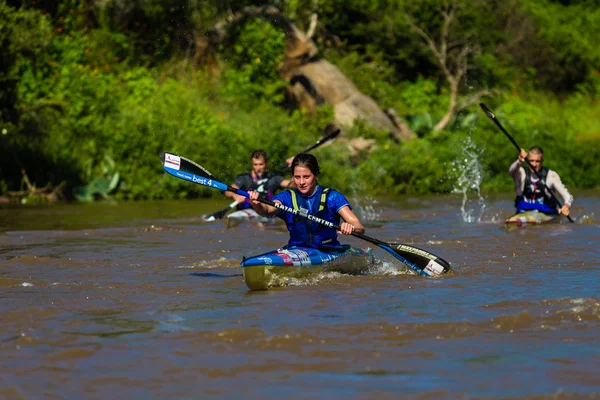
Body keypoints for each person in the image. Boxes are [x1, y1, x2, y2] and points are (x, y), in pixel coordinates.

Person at [248, 153, 364, 248]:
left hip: (329, 250)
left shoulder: (332, 197)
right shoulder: (286, 197)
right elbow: (267, 210)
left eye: (306, 177)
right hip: (296, 250)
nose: (301, 182)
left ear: (316, 175)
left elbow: (359, 227)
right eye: (297, 177)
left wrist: (350, 227)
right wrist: (256, 204)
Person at [509, 146, 573, 216]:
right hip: (522, 211)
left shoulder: (551, 176)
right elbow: (511, 171)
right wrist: (519, 161)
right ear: (527, 160)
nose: (534, 164)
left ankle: (555, 212)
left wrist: (566, 206)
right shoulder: (520, 173)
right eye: (531, 161)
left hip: (546, 213)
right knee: (521, 204)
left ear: (542, 160)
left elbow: (568, 197)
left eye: (537, 161)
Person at [225, 150, 292, 210]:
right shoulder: (244, 178)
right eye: (255, 164)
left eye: (261, 164)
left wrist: (294, 166)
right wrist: (235, 195)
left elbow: (292, 185)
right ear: (252, 165)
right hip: (245, 211)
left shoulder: (273, 178)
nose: (258, 168)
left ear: (266, 164)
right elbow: (228, 192)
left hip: (265, 212)